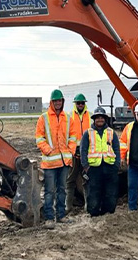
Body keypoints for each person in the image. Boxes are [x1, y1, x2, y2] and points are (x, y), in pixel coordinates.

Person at [35, 89, 78, 229]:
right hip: (50, 162)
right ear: (52, 102)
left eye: (60, 101)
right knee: (49, 191)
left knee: (62, 189)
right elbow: (39, 138)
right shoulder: (44, 118)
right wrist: (48, 150)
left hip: (64, 161)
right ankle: (49, 217)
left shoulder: (68, 118)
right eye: (55, 101)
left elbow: (73, 136)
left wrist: (71, 151)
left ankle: (61, 215)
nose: (58, 103)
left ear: (63, 101)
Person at [80, 106, 121, 217]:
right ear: (94, 119)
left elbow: (117, 149)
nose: (100, 120)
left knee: (110, 192)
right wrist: (86, 166)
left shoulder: (111, 132)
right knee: (93, 192)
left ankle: (108, 212)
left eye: (102, 117)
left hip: (109, 166)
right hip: (94, 168)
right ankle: (93, 213)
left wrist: (117, 164)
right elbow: (83, 150)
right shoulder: (88, 133)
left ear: (105, 119)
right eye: (97, 118)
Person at [66, 93, 90, 213]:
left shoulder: (90, 116)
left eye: (82, 103)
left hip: (85, 152)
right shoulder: (69, 117)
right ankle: (68, 206)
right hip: (74, 153)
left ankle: (87, 205)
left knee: (86, 179)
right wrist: (71, 149)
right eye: (78, 103)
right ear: (75, 104)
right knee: (70, 179)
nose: (80, 105)